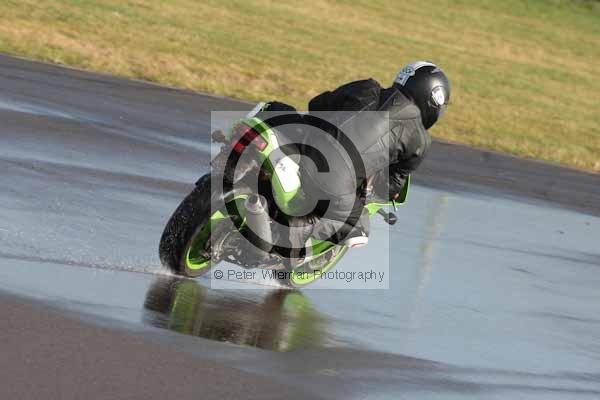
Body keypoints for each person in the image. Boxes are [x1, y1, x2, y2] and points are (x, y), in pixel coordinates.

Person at [261, 61, 451, 257]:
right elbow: (388, 188)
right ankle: (294, 229)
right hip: (331, 183)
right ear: (433, 100)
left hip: (303, 144)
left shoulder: (366, 87)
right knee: (359, 229)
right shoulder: (420, 141)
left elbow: (316, 105)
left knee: (274, 108)